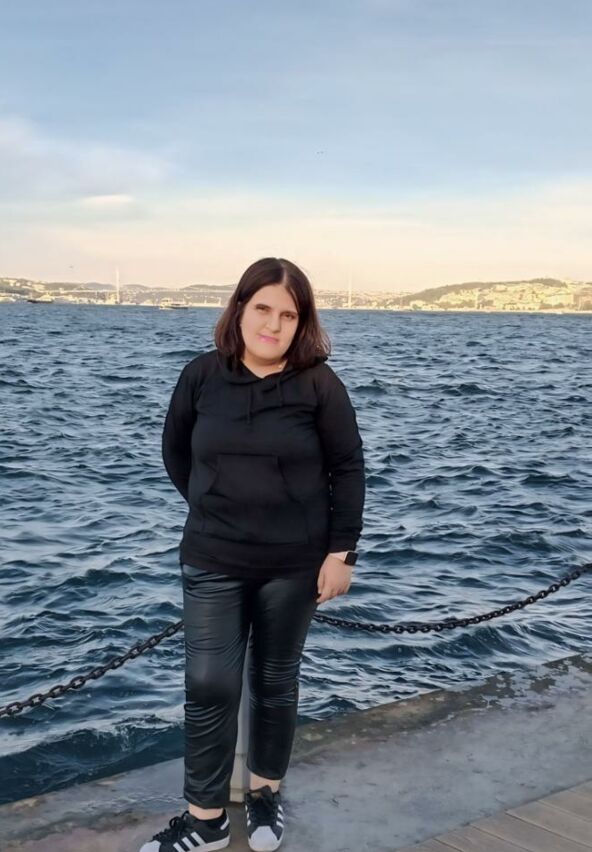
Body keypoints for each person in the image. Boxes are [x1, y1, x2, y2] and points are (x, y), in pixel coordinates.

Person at [140, 257, 365, 852]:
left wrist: (341, 553)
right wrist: (215, 504)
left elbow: (348, 468)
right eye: (263, 308)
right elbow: (175, 452)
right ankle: (205, 821)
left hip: (295, 563)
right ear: (239, 309)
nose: (273, 324)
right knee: (208, 684)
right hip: (213, 555)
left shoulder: (320, 385)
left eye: (288, 315)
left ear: (302, 322)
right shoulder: (201, 376)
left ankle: (266, 795)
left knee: (274, 679)